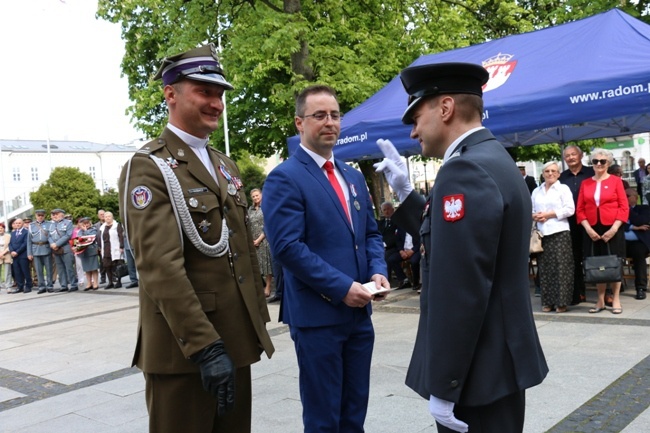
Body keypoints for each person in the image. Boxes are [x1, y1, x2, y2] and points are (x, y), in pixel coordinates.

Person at [374, 62, 548, 433]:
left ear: (446, 107)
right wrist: (406, 196)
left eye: (416, 116)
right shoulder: (494, 158)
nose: (413, 130)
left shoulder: (462, 171)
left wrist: (446, 384)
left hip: (476, 373)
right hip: (499, 364)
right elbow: (452, 240)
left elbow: (460, 288)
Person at [118, 43, 274, 433]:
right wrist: (206, 346)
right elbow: (158, 266)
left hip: (234, 342)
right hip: (184, 349)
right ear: (170, 94)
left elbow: (240, 255)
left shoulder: (224, 164)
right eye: (204, 91)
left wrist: (252, 326)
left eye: (219, 93)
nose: (216, 103)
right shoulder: (148, 167)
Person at [262, 84, 389, 432]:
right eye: (319, 115)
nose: (329, 122)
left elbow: (370, 234)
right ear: (299, 123)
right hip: (318, 316)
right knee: (323, 418)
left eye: (334, 115)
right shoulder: (284, 178)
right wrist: (341, 287)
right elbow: (288, 247)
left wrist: (377, 271)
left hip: (359, 313)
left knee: (354, 412)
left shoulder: (351, 175)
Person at [576, 148, 629, 314]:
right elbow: (580, 209)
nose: (599, 164)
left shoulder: (616, 181)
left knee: (614, 263)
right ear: (591, 164)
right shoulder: (586, 183)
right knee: (596, 264)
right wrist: (588, 228)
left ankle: (616, 299)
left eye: (602, 161)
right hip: (592, 229)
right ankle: (599, 301)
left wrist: (613, 229)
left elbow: (624, 207)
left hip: (613, 227)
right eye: (595, 161)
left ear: (608, 163)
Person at [531, 162, 575, 313]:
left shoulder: (563, 189)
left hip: (559, 231)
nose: (550, 174)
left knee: (561, 268)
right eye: (547, 171)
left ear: (558, 174)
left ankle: (561, 302)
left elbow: (570, 209)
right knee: (544, 268)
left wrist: (549, 214)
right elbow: (532, 209)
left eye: (553, 171)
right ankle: (547, 301)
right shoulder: (537, 191)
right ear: (543, 173)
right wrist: (536, 216)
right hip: (542, 232)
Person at [559, 145, 595, 305]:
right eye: (567, 156)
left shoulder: (592, 173)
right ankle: (578, 292)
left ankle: (606, 291)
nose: (571, 157)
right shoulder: (561, 177)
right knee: (574, 258)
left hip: (591, 221)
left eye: (573, 154)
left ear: (580, 156)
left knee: (594, 255)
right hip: (570, 223)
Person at [623, 188, 649, 300]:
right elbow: (618, 224)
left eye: (627, 196)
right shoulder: (618, 209)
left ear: (636, 197)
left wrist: (627, 209)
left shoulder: (644, 208)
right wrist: (633, 227)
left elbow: (640, 220)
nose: (625, 198)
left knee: (638, 254)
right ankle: (614, 288)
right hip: (622, 241)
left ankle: (640, 288)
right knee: (613, 253)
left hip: (639, 242)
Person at [379, 201, 411, 288]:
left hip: (394, 247)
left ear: (393, 210)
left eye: (388, 209)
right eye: (384, 210)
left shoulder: (397, 221)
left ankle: (387, 281)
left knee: (387, 256)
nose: (386, 212)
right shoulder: (380, 223)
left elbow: (396, 237)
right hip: (382, 247)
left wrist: (385, 245)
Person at [248, 188, 273, 297]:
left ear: (261, 195)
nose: (255, 198)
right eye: (253, 196)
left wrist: (259, 239)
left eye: (257, 195)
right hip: (253, 240)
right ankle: (259, 286)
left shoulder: (266, 207)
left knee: (266, 264)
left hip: (264, 239)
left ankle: (268, 286)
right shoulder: (250, 209)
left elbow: (268, 224)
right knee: (257, 265)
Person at [26, 209, 54, 294]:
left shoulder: (49, 224)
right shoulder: (31, 225)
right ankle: (41, 286)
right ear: (36, 216)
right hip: (36, 248)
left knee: (49, 268)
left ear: (44, 215)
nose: (40, 217)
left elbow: (51, 237)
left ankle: (49, 286)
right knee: (38, 269)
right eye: (39, 215)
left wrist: (53, 251)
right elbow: (29, 241)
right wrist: (29, 253)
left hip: (46, 247)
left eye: (42, 215)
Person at [49, 208, 77, 292]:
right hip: (56, 249)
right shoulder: (51, 225)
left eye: (56, 214)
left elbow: (68, 235)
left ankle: (73, 284)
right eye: (53, 214)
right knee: (60, 268)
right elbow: (49, 236)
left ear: (62, 215)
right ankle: (63, 285)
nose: (55, 216)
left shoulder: (68, 223)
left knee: (69, 267)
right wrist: (52, 244)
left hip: (65, 248)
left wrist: (57, 244)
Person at [97, 211, 124, 289]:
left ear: (112, 217)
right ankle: (110, 282)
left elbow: (120, 236)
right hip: (106, 248)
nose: (107, 218)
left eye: (109, 216)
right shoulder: (102, 227)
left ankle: (118, 282)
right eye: (106, 217)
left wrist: (121, 246)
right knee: (107, 266)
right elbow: (100, 238)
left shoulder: (117, 225)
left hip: (115, 247)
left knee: (116, 266)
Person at [74, 217, 100, 291]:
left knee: (94, 268)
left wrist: (85, 231)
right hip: (83, 252)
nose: (86, 225)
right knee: (87, 269)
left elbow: (89, 238)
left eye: (87, 223)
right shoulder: (79, 232)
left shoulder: (93, 229)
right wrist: (75, 247)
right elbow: (77, 240)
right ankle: (89, 283)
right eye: (84, 224)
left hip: (91, 250)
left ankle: (95, 283)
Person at [9, 218, 32, 293]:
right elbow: (10, 243)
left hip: (23, 255)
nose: (17, 224)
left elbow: (25, 244)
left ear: (22, 224)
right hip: (14, 256)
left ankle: (28, 286)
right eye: (16, 223)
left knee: (25, 271)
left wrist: (17, 252)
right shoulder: (13, 233)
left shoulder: (26, 232)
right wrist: (12, 251)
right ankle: (20, 286)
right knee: (17, 272)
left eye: (19, 223)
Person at [94, 209, 107, 284]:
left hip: (109, 246)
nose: (102, 215)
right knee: (102, 263)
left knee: (112, 262)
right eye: (101, 214)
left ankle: (114, 276)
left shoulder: (111, 223)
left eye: (103, 214)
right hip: (100, 247)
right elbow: (94, 237)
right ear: (98, 216)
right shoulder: (96, 226)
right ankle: (103, 278)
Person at [0, 222, 13, 291]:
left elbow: (10, 245)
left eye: (1, 228)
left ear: (4, 229)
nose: (0, 230)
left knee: (8, 271)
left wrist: (3, 253)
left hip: (7, 254)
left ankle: (8, 286)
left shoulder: (8, 236)